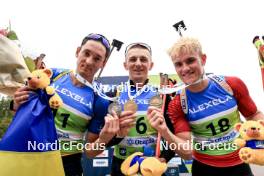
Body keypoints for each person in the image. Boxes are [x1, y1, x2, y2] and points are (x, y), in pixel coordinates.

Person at [12, 33, 134, 176]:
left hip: (67, 164)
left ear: (103, 63)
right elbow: (20, 115)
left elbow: (90, 152)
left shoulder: (100, 100)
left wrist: (104, 138)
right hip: (29, 153)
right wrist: (15, 103)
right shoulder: (53, 75)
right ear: (77, 52)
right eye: (86, 53)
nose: (89, 61)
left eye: (97, 58)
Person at [147, 37, 264, 176]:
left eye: (190, 60)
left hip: (239, 164)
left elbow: (253, 115)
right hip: (204, 168)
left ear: (203, 59)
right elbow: (187, 153)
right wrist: (165, 131)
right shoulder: (177, 103)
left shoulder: (231, 84)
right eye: (178, 64)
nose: (185, 68)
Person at [110, 42, 191, 176]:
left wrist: (163, 158)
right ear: (125, 65)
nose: (138, 63)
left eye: (143, 59)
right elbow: (104, 139)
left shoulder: (162, 96)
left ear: (150, 65)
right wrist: (117, 136)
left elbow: (173, 136)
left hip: (151, 165)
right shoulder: (115, 95)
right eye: (132, 59)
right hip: (122, 164)